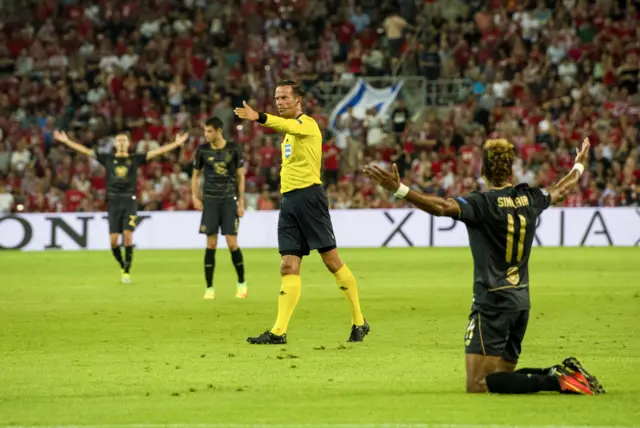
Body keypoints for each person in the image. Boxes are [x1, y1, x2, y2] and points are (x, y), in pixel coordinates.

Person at [364, 138, 605, 396]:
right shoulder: (531, 198)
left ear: (483, 171)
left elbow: (441, 206)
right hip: (521, 301)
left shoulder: (482, 203)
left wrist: (399, 189)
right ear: (511, 171)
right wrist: (579, 166)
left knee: (478, 384)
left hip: (491, 302)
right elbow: (561, 189)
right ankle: (559, 374)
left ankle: (557, 381)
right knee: (502, 378)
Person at [234, 79, 368, 344]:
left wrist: (258, 117)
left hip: (310, 198)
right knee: (287, 265)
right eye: (277, 98)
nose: (280, 102)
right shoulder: (289, 135)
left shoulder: (307, 124)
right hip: (289, 202)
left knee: (331, 261)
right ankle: (278, 332)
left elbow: (283, 123)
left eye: (285, 98)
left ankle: (359, 321)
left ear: (298, 100)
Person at [53, 130, 188, 283]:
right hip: (113, 202)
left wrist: (175, 144)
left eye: (125, 140)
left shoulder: (134, 159)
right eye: (119, 141)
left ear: (129, 144)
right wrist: (67, 141)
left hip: (129, 202)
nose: (122, 143)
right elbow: (85, 151)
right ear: (116, 144)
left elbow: (156, 151)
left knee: (128, 237)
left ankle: (127, 271)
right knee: (113, 241)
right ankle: (122, 264)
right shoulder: (107, 159)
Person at [192, 117, 247, 300]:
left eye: (209, 131)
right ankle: (209, 288)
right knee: (211, 244)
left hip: (229, 200)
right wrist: (195, 197)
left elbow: (240, 177)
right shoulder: (202, 150)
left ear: (218, 131)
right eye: (205, 131)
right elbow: (196, 176)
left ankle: (241, 284)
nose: (206, 134)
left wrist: (241, 202)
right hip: (210, 201)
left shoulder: (233, 148)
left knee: (232, 243)